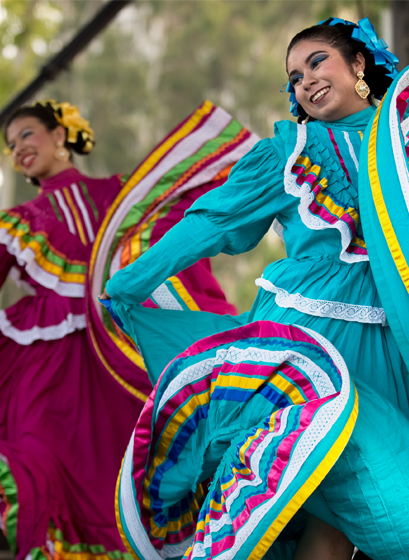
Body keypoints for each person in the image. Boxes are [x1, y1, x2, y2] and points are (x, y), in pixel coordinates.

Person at [101, 18, 409, 560]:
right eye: (292, 77)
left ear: (359, 64)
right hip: (309, 342)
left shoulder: (402, 142)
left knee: (341, 522)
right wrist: (130, 283)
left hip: (390, 348)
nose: (303, 82)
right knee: (317, 490)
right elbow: (212, 222)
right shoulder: (293, 151)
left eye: (317, 62)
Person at [0, 100, 239, 559]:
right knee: (39, 465)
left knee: (128, 469)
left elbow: (182, 225)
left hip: (119, 356)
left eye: (27, 135)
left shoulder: (124, 194)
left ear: (60, 135)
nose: (19, 149)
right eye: (12, 145)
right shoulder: (17, 222)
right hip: (43, 368)